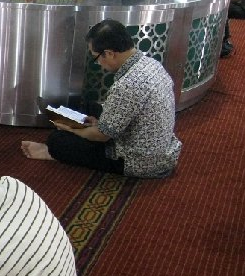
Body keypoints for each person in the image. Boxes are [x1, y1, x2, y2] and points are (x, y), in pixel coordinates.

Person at [21, 19, 182, 178]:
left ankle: (53, 153)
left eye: (96, 57)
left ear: (109, 53)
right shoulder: (151, 63)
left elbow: (102, 136)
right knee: (90, 108)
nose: (98, 63)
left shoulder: (127, 85)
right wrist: (96, 124)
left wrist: (69, 128)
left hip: (139, 161)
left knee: (57, 142)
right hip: (158, 148)